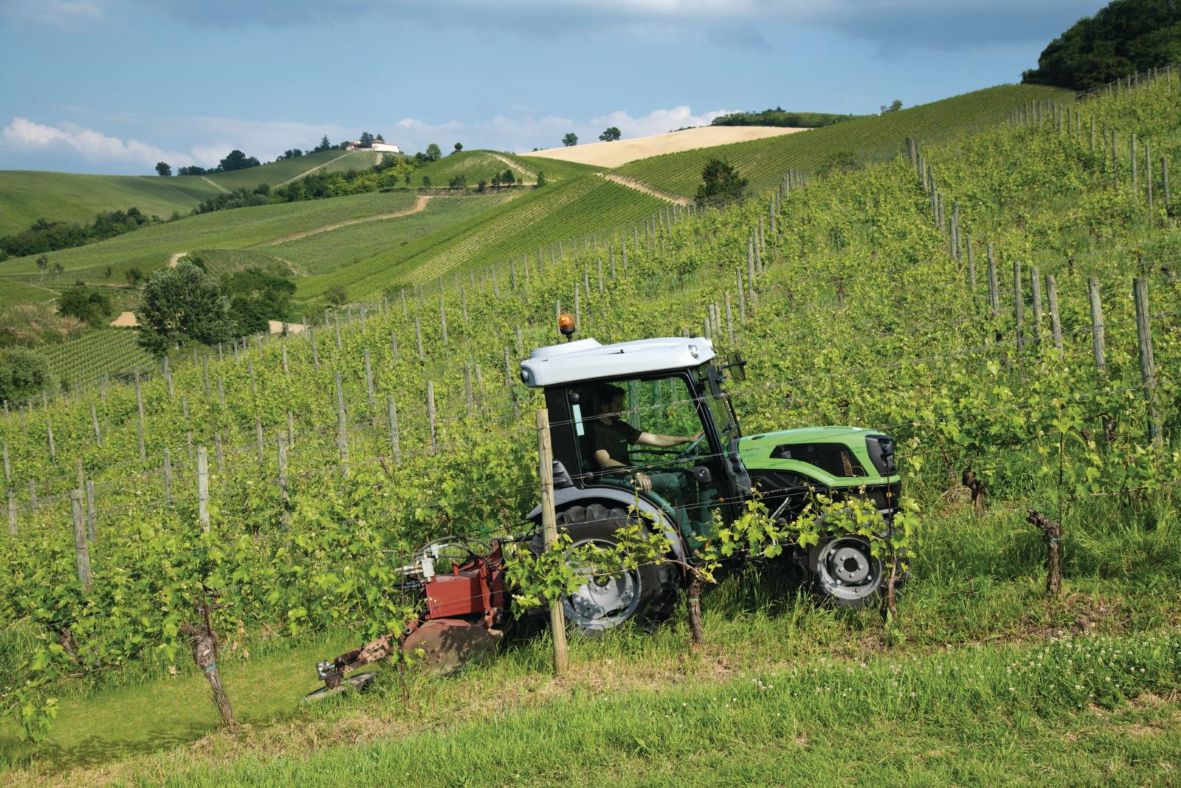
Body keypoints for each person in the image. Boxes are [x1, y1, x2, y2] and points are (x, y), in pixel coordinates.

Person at [588, 384, 701, 494]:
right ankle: (676, 513)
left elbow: (656, 439)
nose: (622, 409)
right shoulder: (594, 431)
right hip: (614, 479)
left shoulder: (620, 427)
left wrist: (688, 438)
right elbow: (605, 462)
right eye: (618, 405)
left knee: (684, 474)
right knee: (670, 481)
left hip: (631, 473)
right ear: (604, 407)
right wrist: (635, 472)